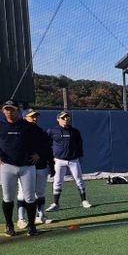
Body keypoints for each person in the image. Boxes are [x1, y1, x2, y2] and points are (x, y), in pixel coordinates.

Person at [0, 100, 46, 236]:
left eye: (12, 109)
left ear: (18, 110)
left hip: (27, 167)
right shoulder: (1, 126)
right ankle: (9, 225)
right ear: (3, 111)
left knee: (30, 198)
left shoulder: (28, 126)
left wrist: (38, 153)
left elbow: (44, 141)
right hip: (7, 166)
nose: (9, 111)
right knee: (7, 197)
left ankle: (32, 226)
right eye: (7, 109)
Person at [46, 111, 92, 211]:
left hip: (73, 160)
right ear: (58, 119)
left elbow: (79, 144)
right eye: (63, 118)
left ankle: (84, 201)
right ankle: (56, 203)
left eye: (67, 117)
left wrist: (80, 155)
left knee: (79, 180)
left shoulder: (75, 131)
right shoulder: (52, 131)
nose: (66, 119)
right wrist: (50, 157)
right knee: (57, 181)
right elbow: (46, 144)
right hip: (59, 160)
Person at [16, 108, 53, 228]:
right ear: (24, 118)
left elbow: (47, 149)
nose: (35, 118)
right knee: (23, 193)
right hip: (25, 167)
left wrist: (51, 165)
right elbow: (16, 148)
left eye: (36, 116)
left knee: (40, 192)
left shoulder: (40, 131)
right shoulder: (19, 130)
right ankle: (21, 219)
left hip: (41, 166)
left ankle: (41, 216)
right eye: (32, 116)